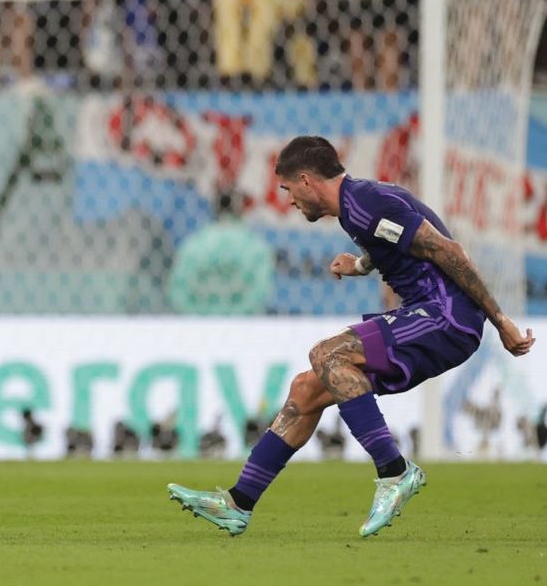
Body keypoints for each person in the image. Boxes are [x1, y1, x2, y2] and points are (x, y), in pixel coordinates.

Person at [168, 136, 535, 537]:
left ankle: (394, 472)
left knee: (326, 355)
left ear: (307, 181)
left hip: (447, 316)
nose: (289, 200)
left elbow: (450, 251)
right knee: (307, 389)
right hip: (432, 313)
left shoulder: (365, 206)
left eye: (288, 189)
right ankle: (239, 503)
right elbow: (397, 244)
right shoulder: (358, 206)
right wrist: (361, 264)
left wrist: (500, 320)